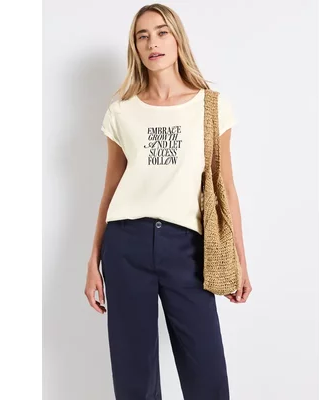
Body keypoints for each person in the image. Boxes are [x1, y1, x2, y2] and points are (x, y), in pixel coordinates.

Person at [84, 3, 252, 399]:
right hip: (126, 243)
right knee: (134, 377)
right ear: (135, 47)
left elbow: (226, 188)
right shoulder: (122, 112)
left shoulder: (211, 106)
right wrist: (93, 260)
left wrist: (240, 260)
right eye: (142, 36)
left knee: (207, 374)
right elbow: (110, 189)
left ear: (177, 39)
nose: (152, 43)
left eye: (161, 32)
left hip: (187, 247)